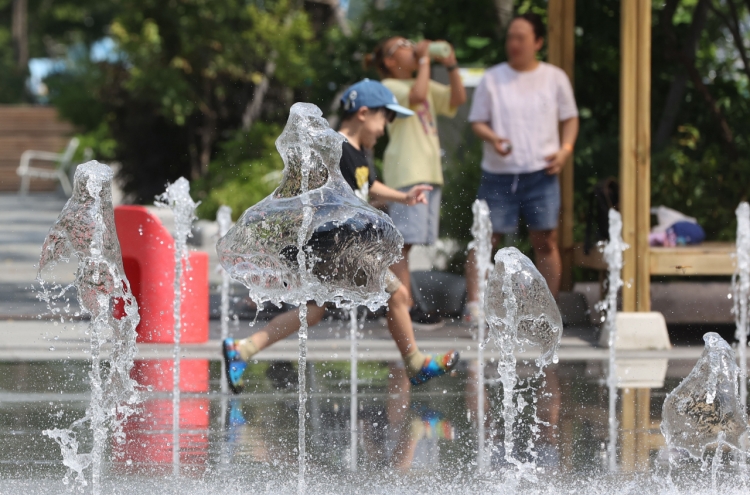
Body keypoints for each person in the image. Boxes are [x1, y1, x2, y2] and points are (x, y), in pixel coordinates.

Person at [222, 80, 459, 394]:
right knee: (398, 296)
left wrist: (403, 197)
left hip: (337, 246)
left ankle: (243, 349)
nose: (385, 129)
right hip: (337, 246)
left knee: (314, 310)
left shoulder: (359, 153)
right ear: (363, 113)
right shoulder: (339, 148)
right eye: (384, 119)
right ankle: (414, 363)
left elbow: (369, 187)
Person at [464, 13, 579, 323]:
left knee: (546, 240)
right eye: (510, 37)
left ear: (537, 42)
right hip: (499, 171)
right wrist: (493, 137)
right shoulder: (493, 77)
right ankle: (475, 305)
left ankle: (547, 310)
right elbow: (477, 122)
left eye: (521, 38)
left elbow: (570, 118)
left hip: (542, 171)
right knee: (485, 238)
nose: (513, 44)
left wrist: (565, 151)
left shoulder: (554, 77)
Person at [365, 37, 467, 327]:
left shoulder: (417, 81)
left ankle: (402, 305)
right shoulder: (390, 87)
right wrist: (425, 60)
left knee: (407, 244)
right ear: (388, 61)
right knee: (403, 245)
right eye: (404, 45)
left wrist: (451, 65)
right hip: (408, 172)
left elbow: (457, 99)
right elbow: (418, 97)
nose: (412, 47)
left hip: (426, 172)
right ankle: (403, 308)